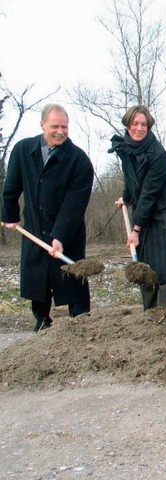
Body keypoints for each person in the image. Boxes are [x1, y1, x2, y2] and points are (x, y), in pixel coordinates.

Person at [1, 104, 94, 331]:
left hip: (67, 231)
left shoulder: (79, 160)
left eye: (64, 126)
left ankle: (80, 321)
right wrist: (10, 215)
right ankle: (41, 320)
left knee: (72, 276)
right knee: (38, 277)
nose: (60, 131)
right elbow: (11, 187)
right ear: (42, 124)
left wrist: (60, 235)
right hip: (33, 229)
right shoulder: (23, 150)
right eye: (55, 126)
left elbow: (74, 205)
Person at [110, 105, 166, 310]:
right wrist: (125, 198)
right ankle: (150, 315)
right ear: (127, 125)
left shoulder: (158, 154)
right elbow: (131, 177)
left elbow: (148, 193)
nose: (139, 128)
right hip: (147, 211)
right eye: (135, 123)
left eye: (144, 124)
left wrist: (136, 229)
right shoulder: (126, 147)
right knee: (147, 263)